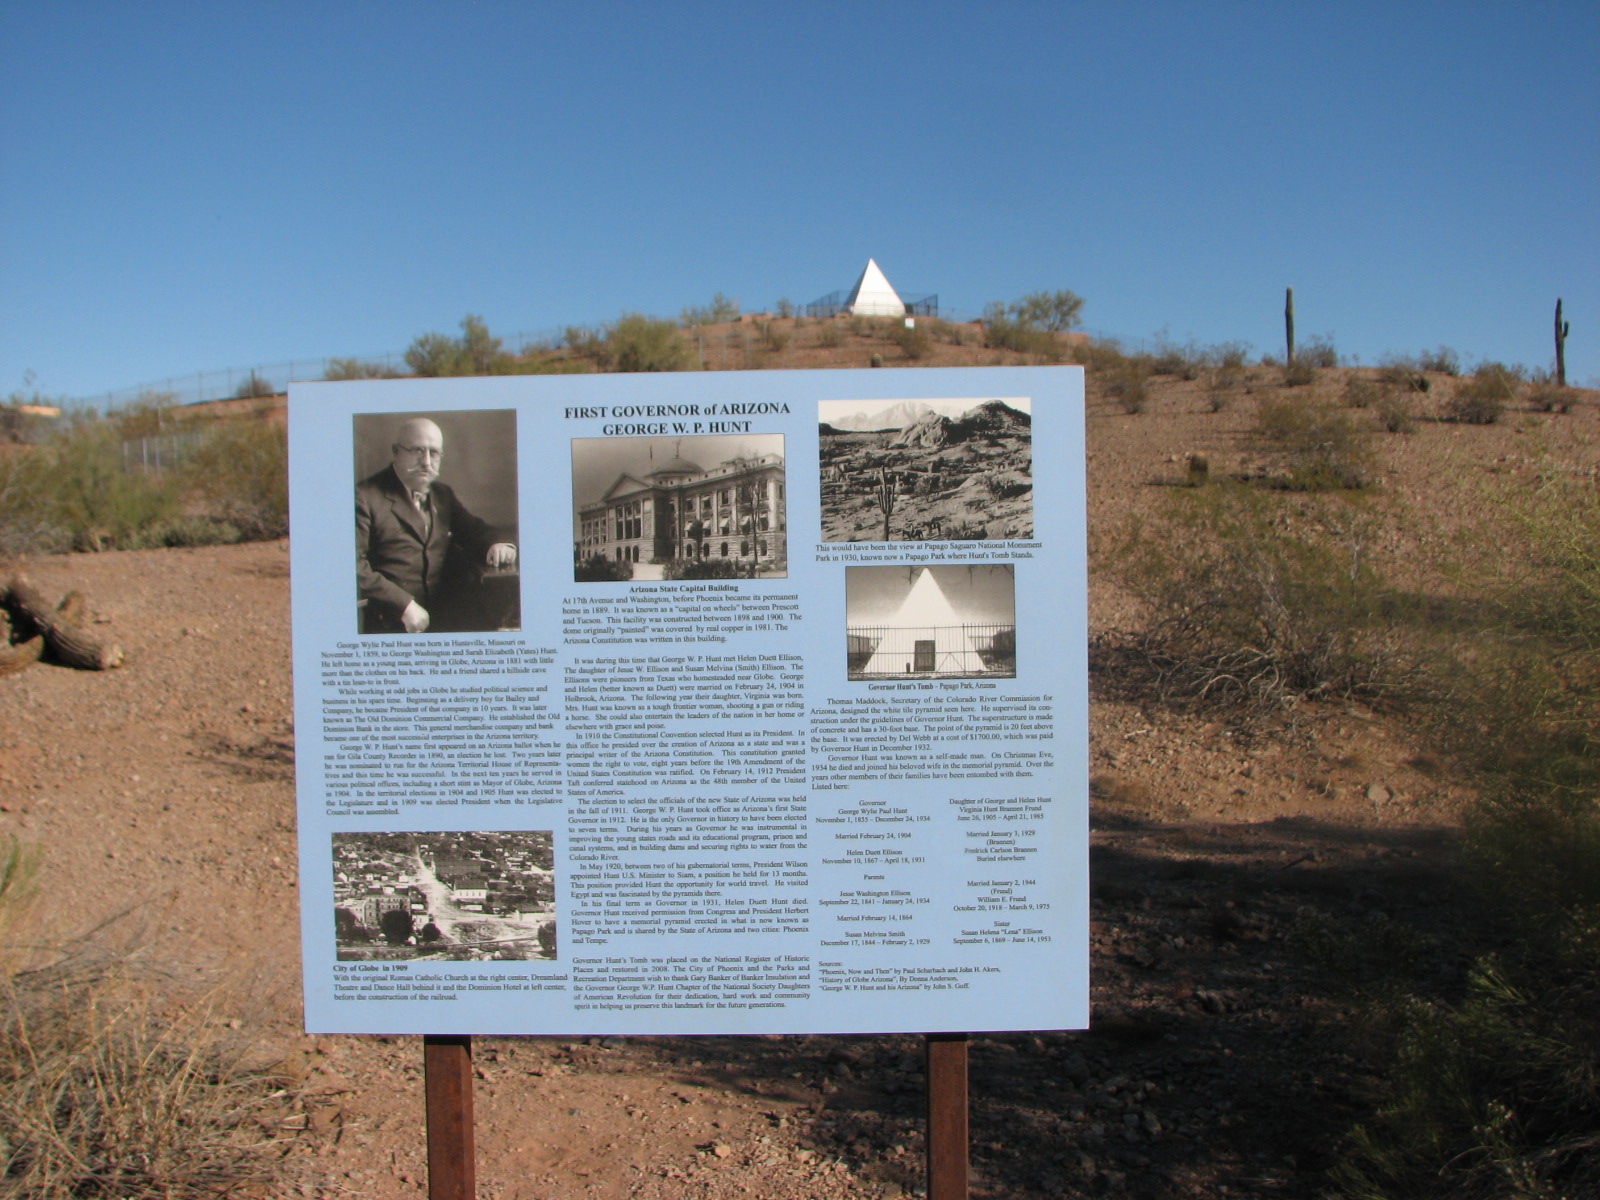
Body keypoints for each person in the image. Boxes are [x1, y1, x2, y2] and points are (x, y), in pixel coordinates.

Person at [356, 417, 516, 633]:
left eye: (434, 453)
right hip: (388, 623)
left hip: (440, 619)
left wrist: (497, 544)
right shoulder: (364, 497)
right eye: (417, 451)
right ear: (396, 451)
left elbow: (475, 531)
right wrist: (403, 605)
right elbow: (351, 565)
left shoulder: (442, 495)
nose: (427, 462)